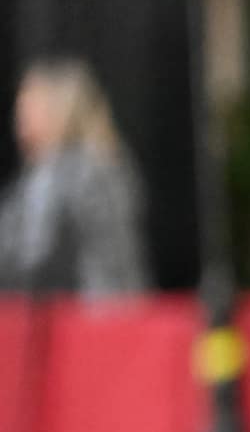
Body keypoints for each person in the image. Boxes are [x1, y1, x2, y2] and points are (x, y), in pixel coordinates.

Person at [0, 59, 149, 296]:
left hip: (83, 321)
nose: (18, 124)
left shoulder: (59, 172)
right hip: (129, 310)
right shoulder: (110, 161)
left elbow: (34, 257)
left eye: (26, 111)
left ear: (57, 110)